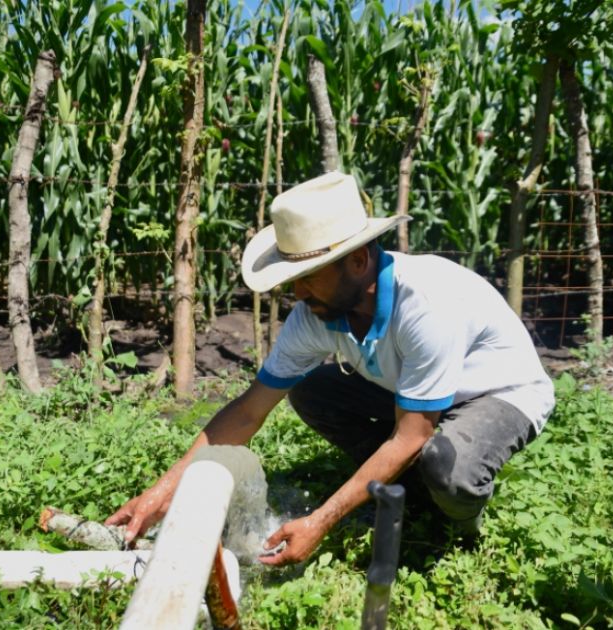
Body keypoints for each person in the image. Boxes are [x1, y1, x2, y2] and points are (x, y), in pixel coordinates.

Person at [106, 171, 555, 565]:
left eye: (309, 275)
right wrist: (164, 490)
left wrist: (320, 521)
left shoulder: (425, 304)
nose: (298, 293)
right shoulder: (315, 313)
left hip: (496, 392)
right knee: (311, 391)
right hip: (413, 389)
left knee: (448, 469)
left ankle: (463, 525)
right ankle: (411, 491)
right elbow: (248, 412)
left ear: (358, 261)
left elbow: (412, 435)